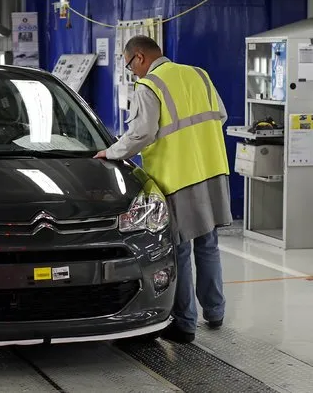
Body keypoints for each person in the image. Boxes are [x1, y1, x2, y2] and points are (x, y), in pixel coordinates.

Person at [94, 35, 232, 343]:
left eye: (131, 66)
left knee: (179, 249)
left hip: (178, 177)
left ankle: (184, 324)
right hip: (212, 168)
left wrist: (111, 152)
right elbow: (219, 116)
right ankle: (215, 312)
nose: (133, 73)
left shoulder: (150, 86)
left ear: (140, 57)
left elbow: (142, 133)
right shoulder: (199, 74)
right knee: (208, 244)